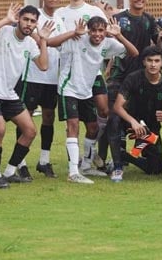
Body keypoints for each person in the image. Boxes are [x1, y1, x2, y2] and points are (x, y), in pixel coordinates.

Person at [48, 16, 138, 183]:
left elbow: (134, 53)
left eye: (101, 30)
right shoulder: (77, 39)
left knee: (93, 127)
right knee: (73, 125)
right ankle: (73, 172)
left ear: (105, 31)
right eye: (94, 30)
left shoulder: (109, 43)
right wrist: (72, 33)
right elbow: (49, 42)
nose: (97, 34)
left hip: (86, 90)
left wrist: (119, 36)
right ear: (88, 30)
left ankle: (86, 165)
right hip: (68, 88)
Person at [0, 4, 54, 189]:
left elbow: (43, 65)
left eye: (33, 21)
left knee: (30, 131)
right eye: (25, 19)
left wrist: (43, 40)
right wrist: (6, 19)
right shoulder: (3, 32)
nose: (28, 24)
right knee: (0, 129)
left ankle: (10, 172)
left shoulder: (29, 43)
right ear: (19, 19)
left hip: (9, 93)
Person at [104, 0, 160, 180]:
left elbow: (157, 47)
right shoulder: (118, 19)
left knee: (145, 120)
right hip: (119, 78)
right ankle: (117, 164)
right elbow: (108, 46)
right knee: (114, 120)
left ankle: (136, 155)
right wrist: (109, 67)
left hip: (141, 79)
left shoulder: (149, 20)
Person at [54, 0, 110, 164]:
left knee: (103, 111)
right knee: (73, 120)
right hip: (71, 71)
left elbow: (107, 35)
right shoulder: (60, 13)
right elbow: (55, 39)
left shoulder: (94, 11)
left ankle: (90, 151)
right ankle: (77, 159)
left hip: (93, 72)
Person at [13, 0, 64, 180]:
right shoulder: (34, 17)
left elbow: (61, 43)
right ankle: (20, 162)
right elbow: (41, 40)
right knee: (24, 119)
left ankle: (44, 160)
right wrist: (47, 39)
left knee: (49, 117)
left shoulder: (60, 20)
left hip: (51, 77)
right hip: (31, 76)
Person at [113, 46, 162, 179]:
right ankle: (117, 164)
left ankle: (128, 155)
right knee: (114, 121)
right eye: (149, 60)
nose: (153, 64)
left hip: (150, 130)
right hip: (130, 123)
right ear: (144, 62)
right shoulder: (133, 78)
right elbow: (117, 107)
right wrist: (133, 122)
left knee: (155, 169)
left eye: (157, 61)